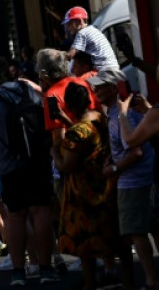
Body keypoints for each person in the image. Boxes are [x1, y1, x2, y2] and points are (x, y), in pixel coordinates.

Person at [0, 56, 58, 286]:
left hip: (9, 165)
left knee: (15, 216)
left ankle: (19, 271)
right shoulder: (27, 88)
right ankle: (45, 268)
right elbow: (46, 106)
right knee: (41, 212)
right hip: (37, 160)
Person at [53, 82, 129, 290]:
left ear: (68, 105)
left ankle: (89, 283)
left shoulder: (76, 132)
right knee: (112, 233)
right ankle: (122, 277)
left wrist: (55, 153)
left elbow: (67, 165)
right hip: (105, 183)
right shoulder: (99, 118)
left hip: (82, 191)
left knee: (85, 241)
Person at [94, 69, 158, 289]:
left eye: (102, 86)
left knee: (137, 233)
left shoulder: (123, 114)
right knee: (150, 228)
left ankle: (151, 280)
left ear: (115, 88)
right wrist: (114, 155)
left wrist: (113, 167)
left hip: (133, 180)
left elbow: (135, 150)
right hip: (140, 178)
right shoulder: (117, 113)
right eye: (96, 86)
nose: (97, 90)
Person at [63, 6, 119, 71]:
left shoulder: (82, 33)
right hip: (112, 68)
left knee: (77, 81)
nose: (68, 27)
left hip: (104, 71)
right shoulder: (93, 29)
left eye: (69, 23)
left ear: (79, 21)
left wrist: (55, 57)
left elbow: (70, 55)